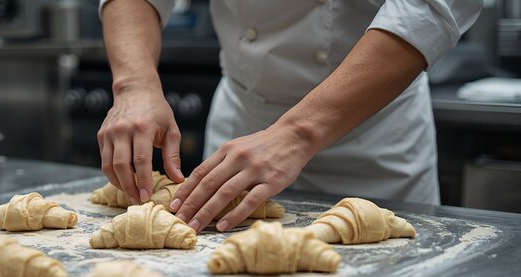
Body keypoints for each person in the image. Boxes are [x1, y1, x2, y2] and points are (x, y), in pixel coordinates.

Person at [96, 0, 483, 233]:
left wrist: (296, 134)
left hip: (374, 139)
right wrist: (133, 85)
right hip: (242, 132)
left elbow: (425, 9)